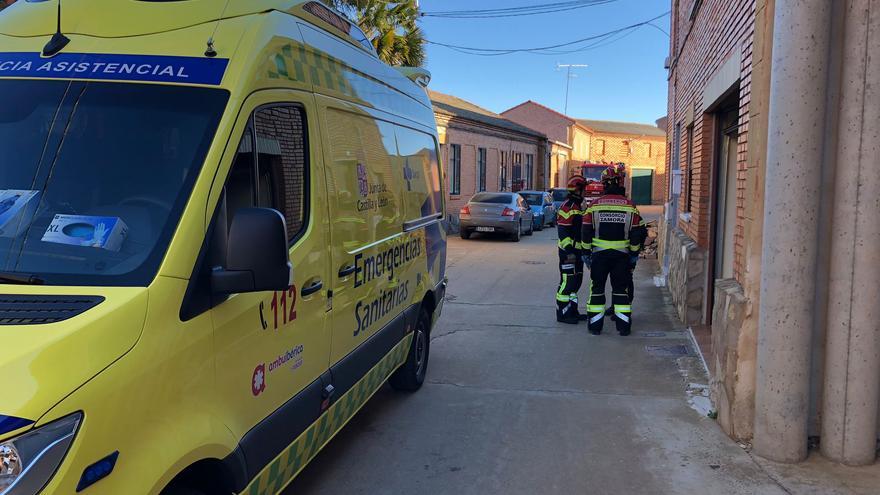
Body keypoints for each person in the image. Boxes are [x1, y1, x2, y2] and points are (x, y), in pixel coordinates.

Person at [581, 166, 647, 335]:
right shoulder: (630, 206)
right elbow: (636, 233)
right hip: (621, 257)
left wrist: (586, 254)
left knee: (597, 290)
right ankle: (623, 328)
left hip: (599, 256)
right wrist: (633, 255)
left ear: (603, 184)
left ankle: (595, 327)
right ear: (619, 182)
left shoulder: (594, 205)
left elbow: (586, 231)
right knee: (621, 291)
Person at [555, 175, 588, 324]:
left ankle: (572, 311)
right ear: (578, 190)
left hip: (578, 253)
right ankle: (562, 314)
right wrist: (569, 252)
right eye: (584, 189)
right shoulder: (568, 206)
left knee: (576, 283)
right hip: (569, 253)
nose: (586, 192)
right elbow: (563, 231)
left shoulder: (579, 206)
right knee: (567, 283)